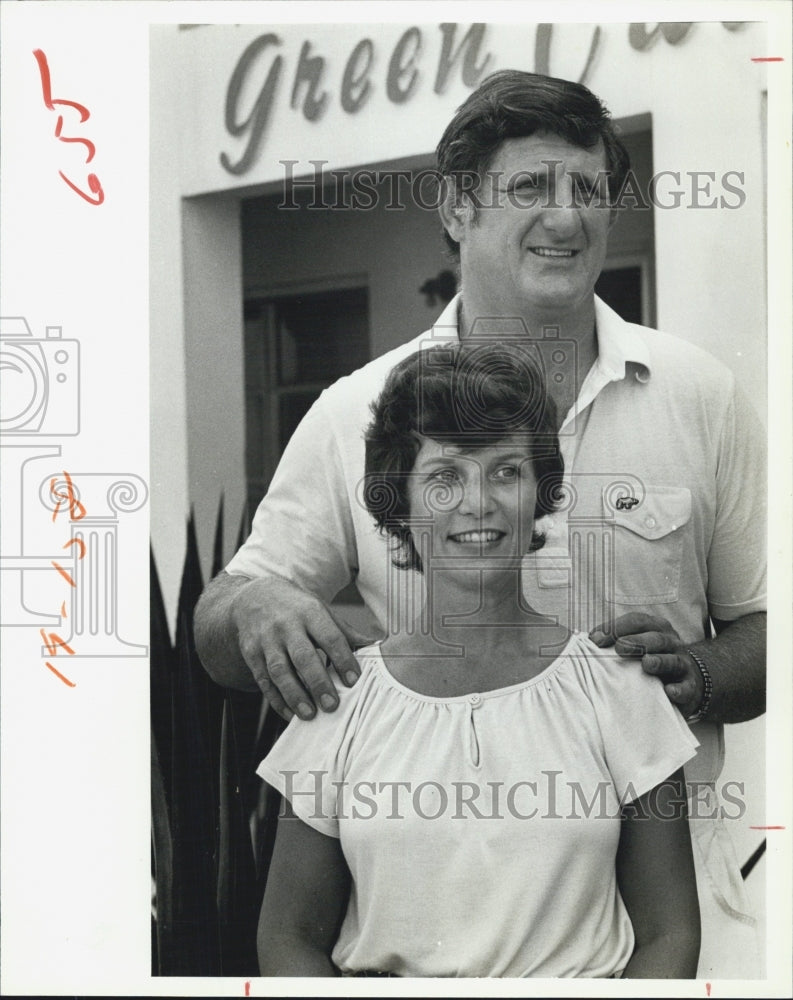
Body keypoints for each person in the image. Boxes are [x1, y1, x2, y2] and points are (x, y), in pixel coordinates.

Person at [194, 70, 766, 977]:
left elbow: (767, 627)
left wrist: (689, 675)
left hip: (685, 908)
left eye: (588, 190)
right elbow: (223, 618)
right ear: (457, 208)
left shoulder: (700, 395)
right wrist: (254, 607)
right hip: (439, 916)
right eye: (530, 187)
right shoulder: (356, 413)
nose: (567, 218)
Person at [256, 343, 701, 978]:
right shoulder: (340, 701)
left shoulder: (617, 686)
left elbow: (670, 934)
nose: (478, 502)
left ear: (540, 495)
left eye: (505, 472)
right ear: (399, 505)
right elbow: (287, 939)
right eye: (444, 478)